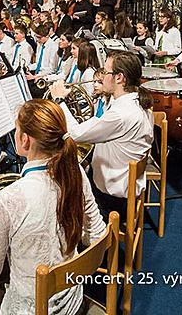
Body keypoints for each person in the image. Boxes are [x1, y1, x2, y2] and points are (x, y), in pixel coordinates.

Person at [0, 99, 106, 315]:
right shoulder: (76, 172)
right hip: (71, 301)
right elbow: (98, 236)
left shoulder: (8, 200)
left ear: (25, 140)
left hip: (32, 309)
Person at [56, 52, 153, 221]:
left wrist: (59, 101)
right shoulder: (133, 101)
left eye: (106, 72)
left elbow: (73, 134)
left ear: (119, 78)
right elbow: (98, 124)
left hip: (111, 199)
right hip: (123, 184)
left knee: (60, 190)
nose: (102, 78)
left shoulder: (121, 114)